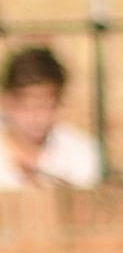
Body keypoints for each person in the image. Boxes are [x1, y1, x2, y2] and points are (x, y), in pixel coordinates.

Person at [0, 45, 103, 188]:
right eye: (26, 106)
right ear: (6, 101)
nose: (36, 118)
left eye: (46, 106)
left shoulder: (82, 153)